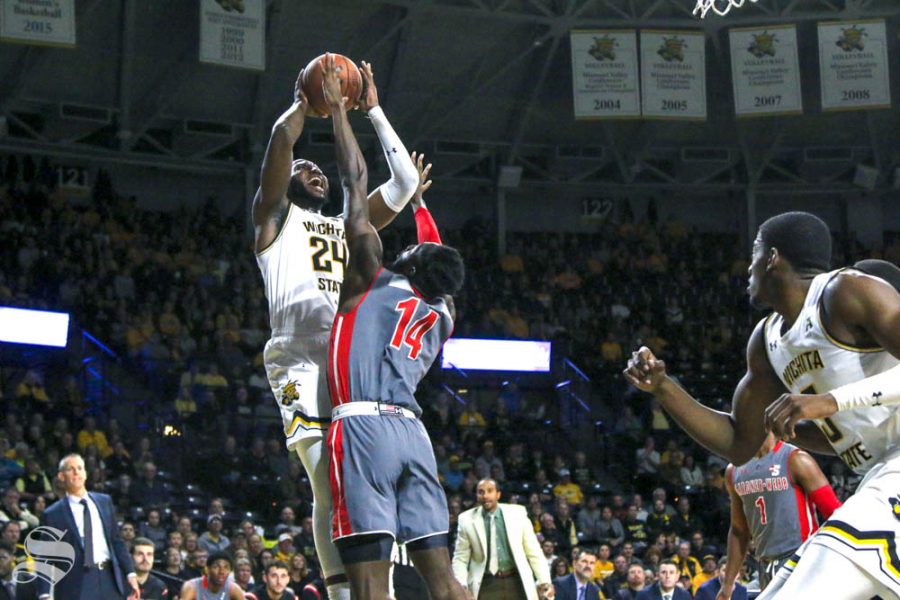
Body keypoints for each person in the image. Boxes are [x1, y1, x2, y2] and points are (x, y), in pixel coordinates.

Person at [624, 212, 900, 598]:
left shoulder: (846, 290)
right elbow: (739, 443)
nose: (747, 267)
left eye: (753, 253)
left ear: (772, 257)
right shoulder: (767, 341)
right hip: (876, 472)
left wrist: (827, 402)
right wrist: (664, 388)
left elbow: (826, 407)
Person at [252, 57, 418, 600]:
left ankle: (377, 588)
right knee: (326, 480)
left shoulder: (345, 225)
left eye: (320, 169)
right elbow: (280, 139)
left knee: (358, 484)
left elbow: (401, 185)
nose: (315, 171)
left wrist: (368, 109)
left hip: (348, 360)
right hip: (298, 357)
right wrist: (309, 100)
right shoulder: (274, 220)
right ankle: (344, 592)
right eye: (305, 170)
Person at [320, 53, 466, 600]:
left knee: (369, 587)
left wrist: (344, 112)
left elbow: (355, 185)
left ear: (408, 260)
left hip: (363, 429)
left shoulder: (369, 279)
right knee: (445, 583)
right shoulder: (443, 312)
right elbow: (438, 255)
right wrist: (420, 202)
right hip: (413, 434)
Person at [722, 433, 840, 593]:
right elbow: (738, 530)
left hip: (800, 560)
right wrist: (728, 584)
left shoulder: (796, 459)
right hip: (765, 564)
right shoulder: (734, 470)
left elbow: (836, 514)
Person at [36, 454, 138, 600]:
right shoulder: (52, 514)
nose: (77, 472)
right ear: (61, 476)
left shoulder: (104, 501)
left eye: (80, 468)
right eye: (71, 469)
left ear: (85, 474)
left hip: (109, 577)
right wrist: (44, 593)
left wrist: (130, 573)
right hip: (76, 582)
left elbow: (116, 541)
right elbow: (45, 556)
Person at [452, 479, 551, 599]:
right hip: (485, 583)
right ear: (477, 496)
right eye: (481, 492)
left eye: (490, 491)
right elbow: (460, 558)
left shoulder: (517, 514)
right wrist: (461, 586)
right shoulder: (466, 520)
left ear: (498, 494)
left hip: (516, 581)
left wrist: (544, 580)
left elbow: (534, 552)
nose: (485, 496)